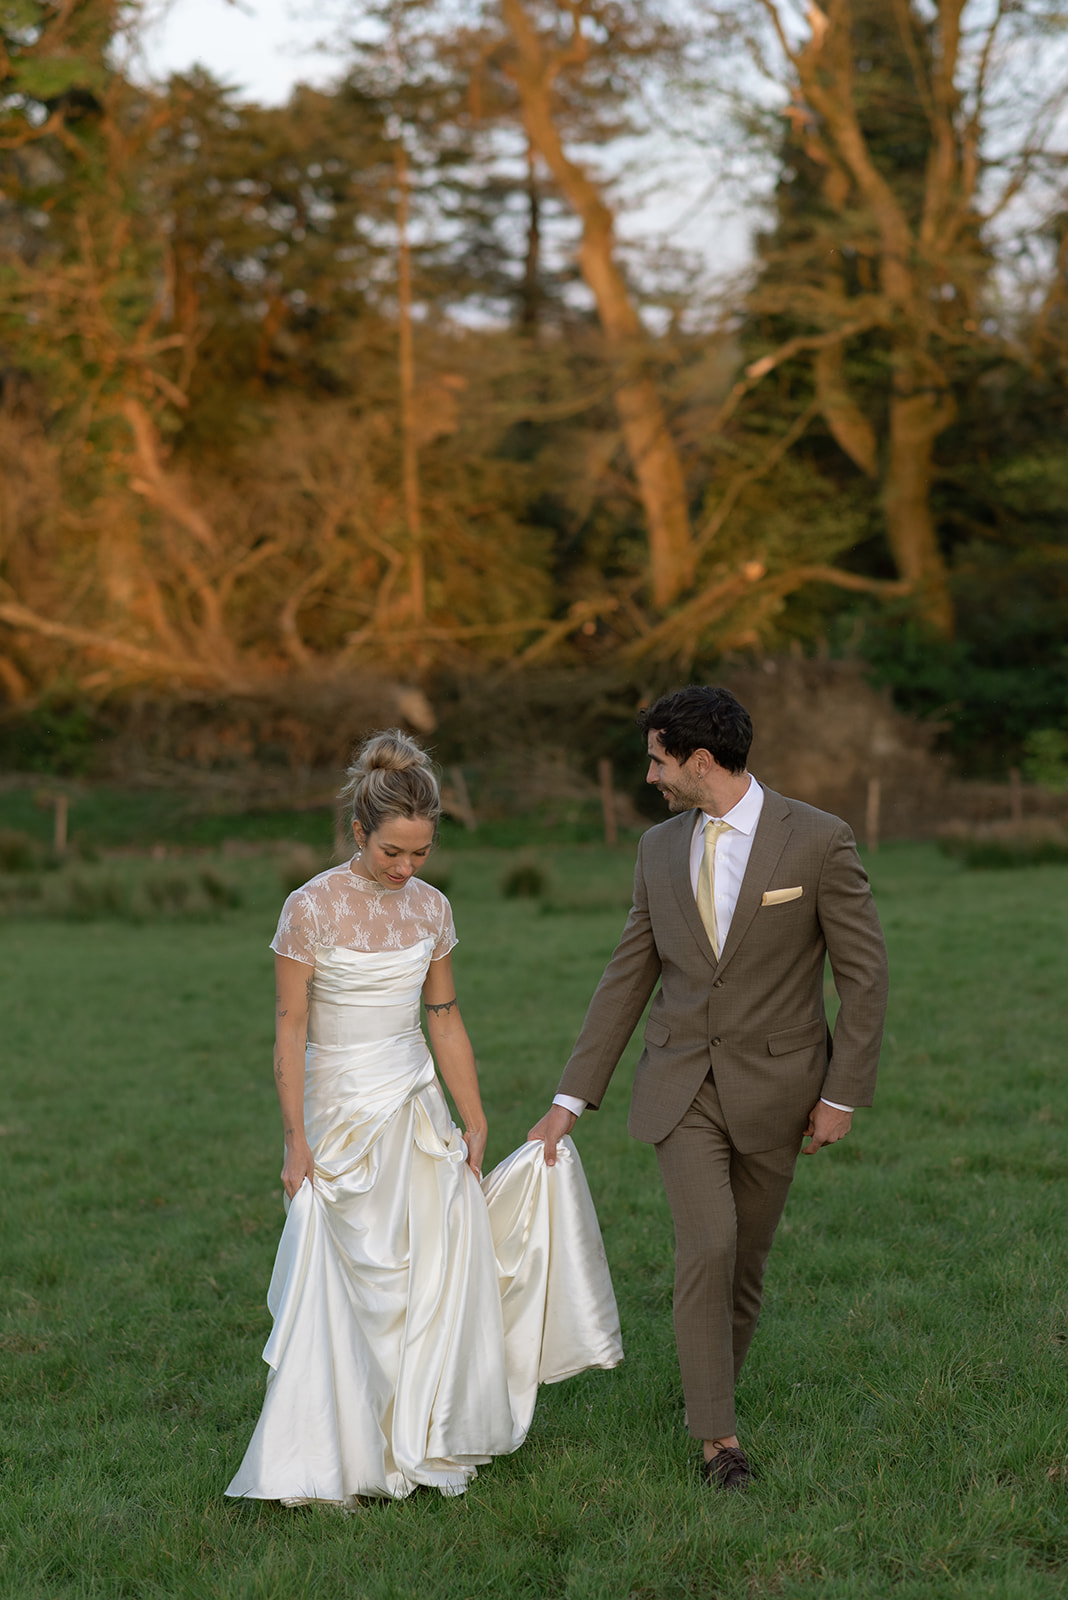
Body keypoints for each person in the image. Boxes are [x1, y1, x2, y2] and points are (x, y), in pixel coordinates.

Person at [226, 731, 621, 1505]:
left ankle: (425, 1430)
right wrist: (295, 1141)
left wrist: (474, 1118)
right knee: (343, 1274)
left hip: (415, 1103)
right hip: (338, 1110)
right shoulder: (308, 909)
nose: (407, 869)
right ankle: (338, 1449)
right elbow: (290, 1028)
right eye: (393, 854)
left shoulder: (432, 910)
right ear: (358, 834)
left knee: (433, 1267)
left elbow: (443, 1015)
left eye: (421, 855)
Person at [529, 685, 888, 1491]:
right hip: (679, 1081)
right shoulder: (658, 849)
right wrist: (569, 1099)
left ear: (699, 760)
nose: (649, 776)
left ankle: (706, 1390)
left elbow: (864, 977)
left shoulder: (820, 840)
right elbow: (628, 974)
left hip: (781, 1087)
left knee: (746, 1262)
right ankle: (717, 1440)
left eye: (657, 760)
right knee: (709, 1244)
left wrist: (841, 1096)